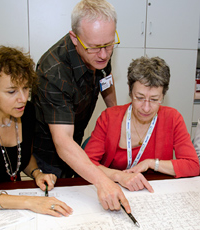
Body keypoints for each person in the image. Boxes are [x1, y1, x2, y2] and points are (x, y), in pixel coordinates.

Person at [32, 0, 130, 212]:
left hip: (74, 139)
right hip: (48, 154)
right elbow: (63, 141)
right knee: (58, 209)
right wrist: (103, 181)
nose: (104, 55)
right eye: (95, 48)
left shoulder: (100, 49)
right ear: (75, 38)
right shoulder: (53, 71)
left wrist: (116, 114)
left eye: (109, 44)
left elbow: (106, 78)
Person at [0, 46, 72, 217]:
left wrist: (37, 173)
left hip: (5, 203)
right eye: (12, 91)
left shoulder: (27, 111)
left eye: (25, 88)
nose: (22, 98)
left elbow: (22, 156)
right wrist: (29, 202)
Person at [84, 56, 200, 192]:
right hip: (112, 190)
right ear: (130, 90)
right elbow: (86, 164)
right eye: (139, 98)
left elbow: (192, 165)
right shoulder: (109, 118)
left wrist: (152, 163)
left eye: (154, 99)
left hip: (152, 193)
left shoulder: (173, 118)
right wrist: (118, 175)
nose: (146, 108)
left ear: (163, 95)